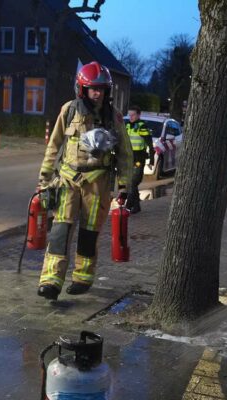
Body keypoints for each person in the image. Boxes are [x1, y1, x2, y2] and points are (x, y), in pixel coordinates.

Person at [37, 62, 131, 301]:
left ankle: (82, 279)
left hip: (98, 183)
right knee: (60, 230)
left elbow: (125, 153)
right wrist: (44, 179)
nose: (97, 93)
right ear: (82, 88)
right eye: (92, 89)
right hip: (68, 180)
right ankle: (51, 281)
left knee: (89, 233)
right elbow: (54, 145)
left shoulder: (114, 117)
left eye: (101, 89)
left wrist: (124, 185)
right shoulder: (69, 110)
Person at [124, 106, 155, 214]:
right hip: (129, 159)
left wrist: (151, 161)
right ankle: (136, 207)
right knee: (131, 183)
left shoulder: (142, 127)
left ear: (138, 115)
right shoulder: (128, 125)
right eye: (129, 115)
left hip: (138, 159)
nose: (131, 117)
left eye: (133, 115)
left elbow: (150, 145)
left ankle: (127, 206)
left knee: (133, 182)